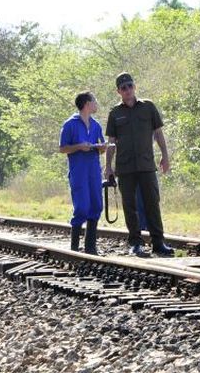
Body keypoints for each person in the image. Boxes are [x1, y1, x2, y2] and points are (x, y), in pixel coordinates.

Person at [104, 72, 174, 257]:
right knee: (130, 205)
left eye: (130, 86)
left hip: (146, 165)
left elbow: (158, 134)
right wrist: (108, 166)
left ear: (135, 87)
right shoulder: (115, 113)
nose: (127, 90)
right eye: (123, 88)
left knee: (152, 203)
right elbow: (111, 141)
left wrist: (165, 156)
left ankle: (158, 243)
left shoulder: (148, 107)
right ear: (118, 91)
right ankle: (136, 243)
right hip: (125, 167)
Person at [59, 92, 106, 254]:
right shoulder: (70, 124)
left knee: (96, 205)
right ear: (87, 104)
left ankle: (90, 247)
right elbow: (62, 148)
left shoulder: (96, 125)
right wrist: (79, 146)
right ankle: (74, 248)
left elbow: (100, 148)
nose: (96, 104)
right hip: (78, 171)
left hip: (94, 170)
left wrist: (102, 148)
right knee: (82, 207)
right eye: (94, 101)